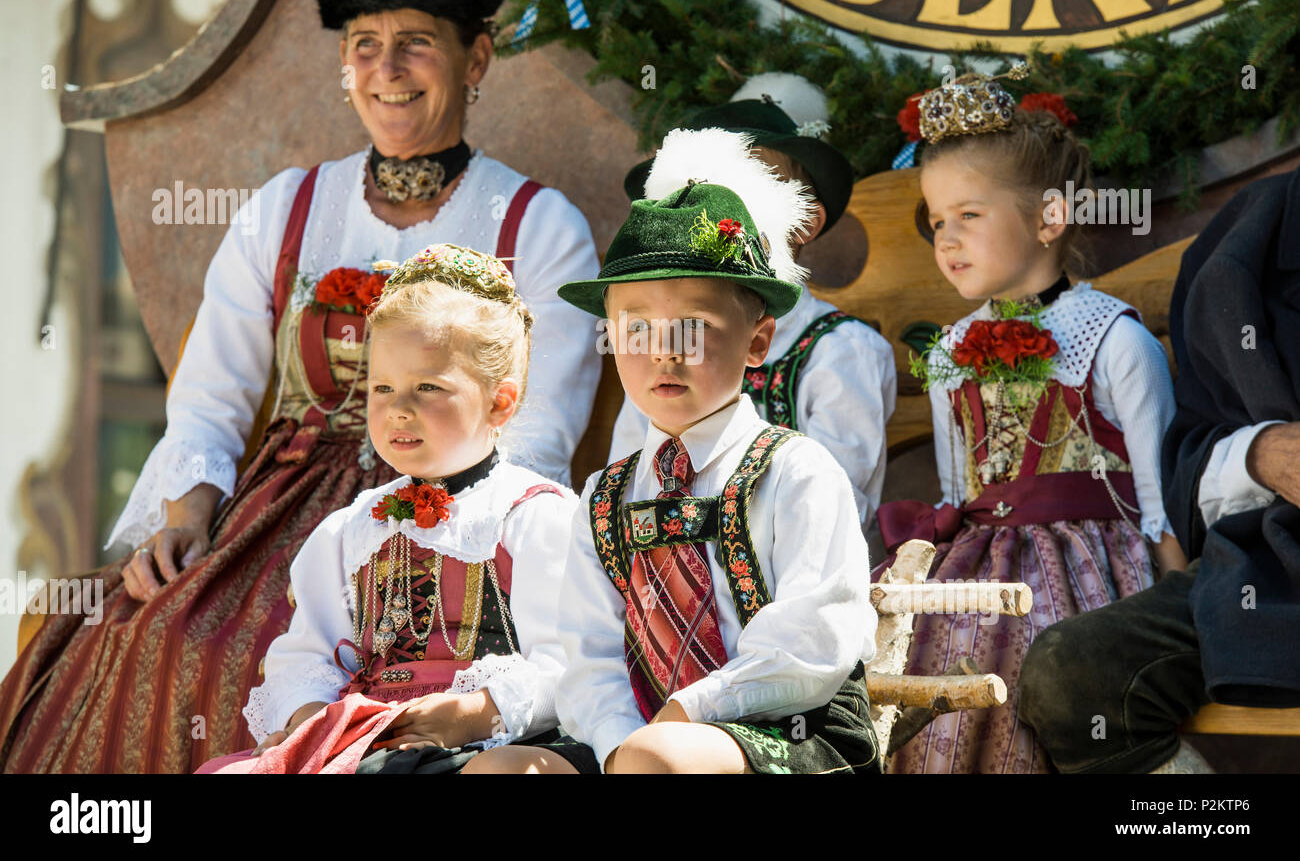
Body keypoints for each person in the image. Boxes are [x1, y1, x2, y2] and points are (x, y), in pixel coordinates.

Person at [0, 0, 599, 773]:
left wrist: (446, 535)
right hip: (275, 505)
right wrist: (185, 515)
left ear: (477, 59)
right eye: (364, 45)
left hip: (451, 510)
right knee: (167, 634)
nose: (386, 69)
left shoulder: (540, 226)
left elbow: (534, 436)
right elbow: (211, 395)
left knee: (337, 664)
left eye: (416, 43)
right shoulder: (287, 206)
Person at [460, 135, 882, 774]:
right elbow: (589, 657)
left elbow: (811, 643)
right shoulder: (606, 496)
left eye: (695, 327)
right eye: (636, 328)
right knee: (500, 770)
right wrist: (614, 745)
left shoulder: (796, 472)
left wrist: (686, 715)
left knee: (663, 758)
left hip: (786, 731)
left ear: (758, 339)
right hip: (640, 737)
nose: (664, 352)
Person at [872, 68, 1186, 774]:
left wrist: (1181, 613)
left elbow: (1164, 504)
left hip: (1091, 568)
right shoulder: (950, 354)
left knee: (1029, 656)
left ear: (1049, 217)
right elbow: (961, 498)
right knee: (904, 650)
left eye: (969, 215)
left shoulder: (1113, 338)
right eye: (937, 221)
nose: (946, 240)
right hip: (980, 563)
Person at [196, 244, 577, 774]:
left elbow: (570, 661)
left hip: (482, 744)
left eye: (428, 387)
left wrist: (476, 712)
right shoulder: (351, 530)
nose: (399, 407)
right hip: (367, 739)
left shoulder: (533, 517)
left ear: (500, 402)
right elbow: (307, 654)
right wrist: (314, 724)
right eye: (382, 387)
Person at [1018, 165, 1300, 773]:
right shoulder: (1253, 241)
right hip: (1275, 568)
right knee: (1074, 670)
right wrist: (1260, 453)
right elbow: (1186, 460)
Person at [611, 95, 896, 531]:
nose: (704, 226)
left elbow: (833, 512)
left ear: (802, 223)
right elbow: (625, 494)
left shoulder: (839, 351)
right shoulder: (659, 358)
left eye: (732, 206)